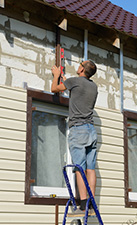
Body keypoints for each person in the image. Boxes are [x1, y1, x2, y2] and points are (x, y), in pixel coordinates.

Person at [51, 60, 98, 216]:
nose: (78, 65)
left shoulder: (74, 81)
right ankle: (90, 205)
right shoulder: (93, 86)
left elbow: (54, 89)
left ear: (82, 69)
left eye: (80, 64)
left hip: (78, 130)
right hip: (91, 130)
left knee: (79, 168)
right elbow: (76, 90)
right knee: (90, 169)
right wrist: (66, 81)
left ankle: (83, 206)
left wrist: (56, 76)